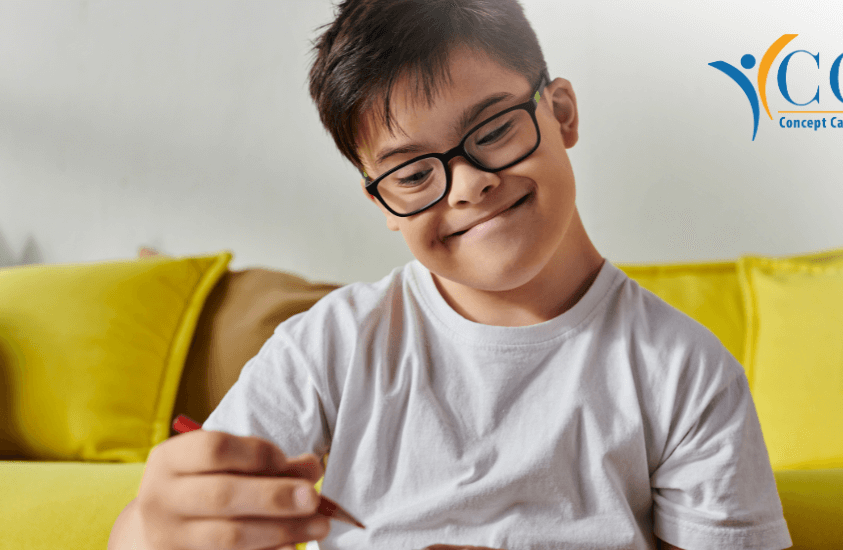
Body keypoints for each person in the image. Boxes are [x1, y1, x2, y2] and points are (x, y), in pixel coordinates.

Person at [108, 1, 793, 549]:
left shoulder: (686, 374)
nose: (466, 186)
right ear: (382, 203)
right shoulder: (327, 350)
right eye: (412, 173)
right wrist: (153, 529)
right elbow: (153, 530)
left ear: (561, 112)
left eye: (493, 129)